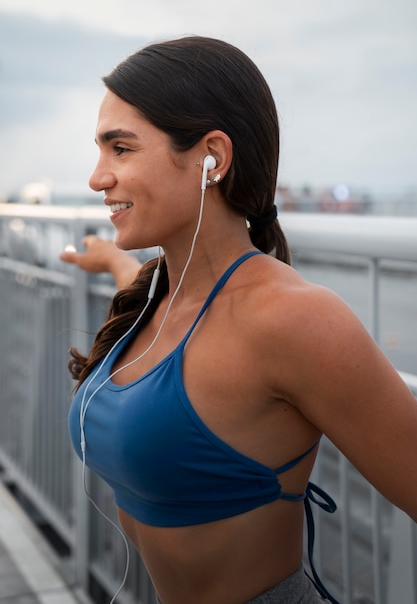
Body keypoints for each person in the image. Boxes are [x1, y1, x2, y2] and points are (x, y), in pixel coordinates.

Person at [60, 36, 417, 604]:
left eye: (120, 149)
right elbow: (181, 325)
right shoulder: (158, 296)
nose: (97, 177)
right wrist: (107, 259)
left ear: (214, 159)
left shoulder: (295, 321)